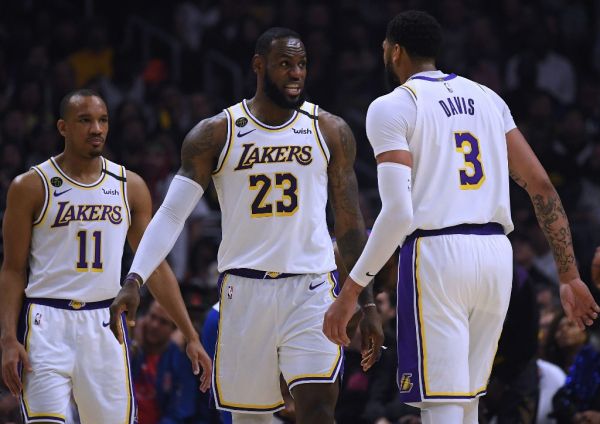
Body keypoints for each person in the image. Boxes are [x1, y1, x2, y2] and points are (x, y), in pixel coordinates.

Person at [323, 10, 599, 424]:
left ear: (394, 51)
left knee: (443, 405)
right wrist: (568, 275)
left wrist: (349, 295)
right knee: (466, 402)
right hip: (495, 256)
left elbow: (398, 214)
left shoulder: (392, 106)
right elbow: (541, 185)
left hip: (437, 255)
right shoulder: (488, 98)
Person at [109, 27, 384, 424]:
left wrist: (368, 299)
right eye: (285, 64)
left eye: (302, 65)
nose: (295, 73)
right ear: (259, 66)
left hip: (311, 289)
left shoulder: (330, 130)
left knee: (320, 409)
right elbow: (170, 215)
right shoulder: (215, 134)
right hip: (244, 291)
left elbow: (350, 222)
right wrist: (134, 279)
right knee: (250, 418)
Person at [0, 89, 211, 424]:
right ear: (62, 127)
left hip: (105, 321)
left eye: (102, 120)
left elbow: (153, 265)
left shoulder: (130, 186)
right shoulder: (31, 185)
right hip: (45, 321)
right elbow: (12, 270)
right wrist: (8, 339)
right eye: (85, 120)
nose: (96, 128)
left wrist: (190, 334)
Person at [131, 300, 201, 424]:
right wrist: (135, 347)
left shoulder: (179, 362)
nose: (154, 325)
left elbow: (179, 413)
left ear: (174, 329)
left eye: (163, 322)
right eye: (152, 317)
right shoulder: (131, 351)